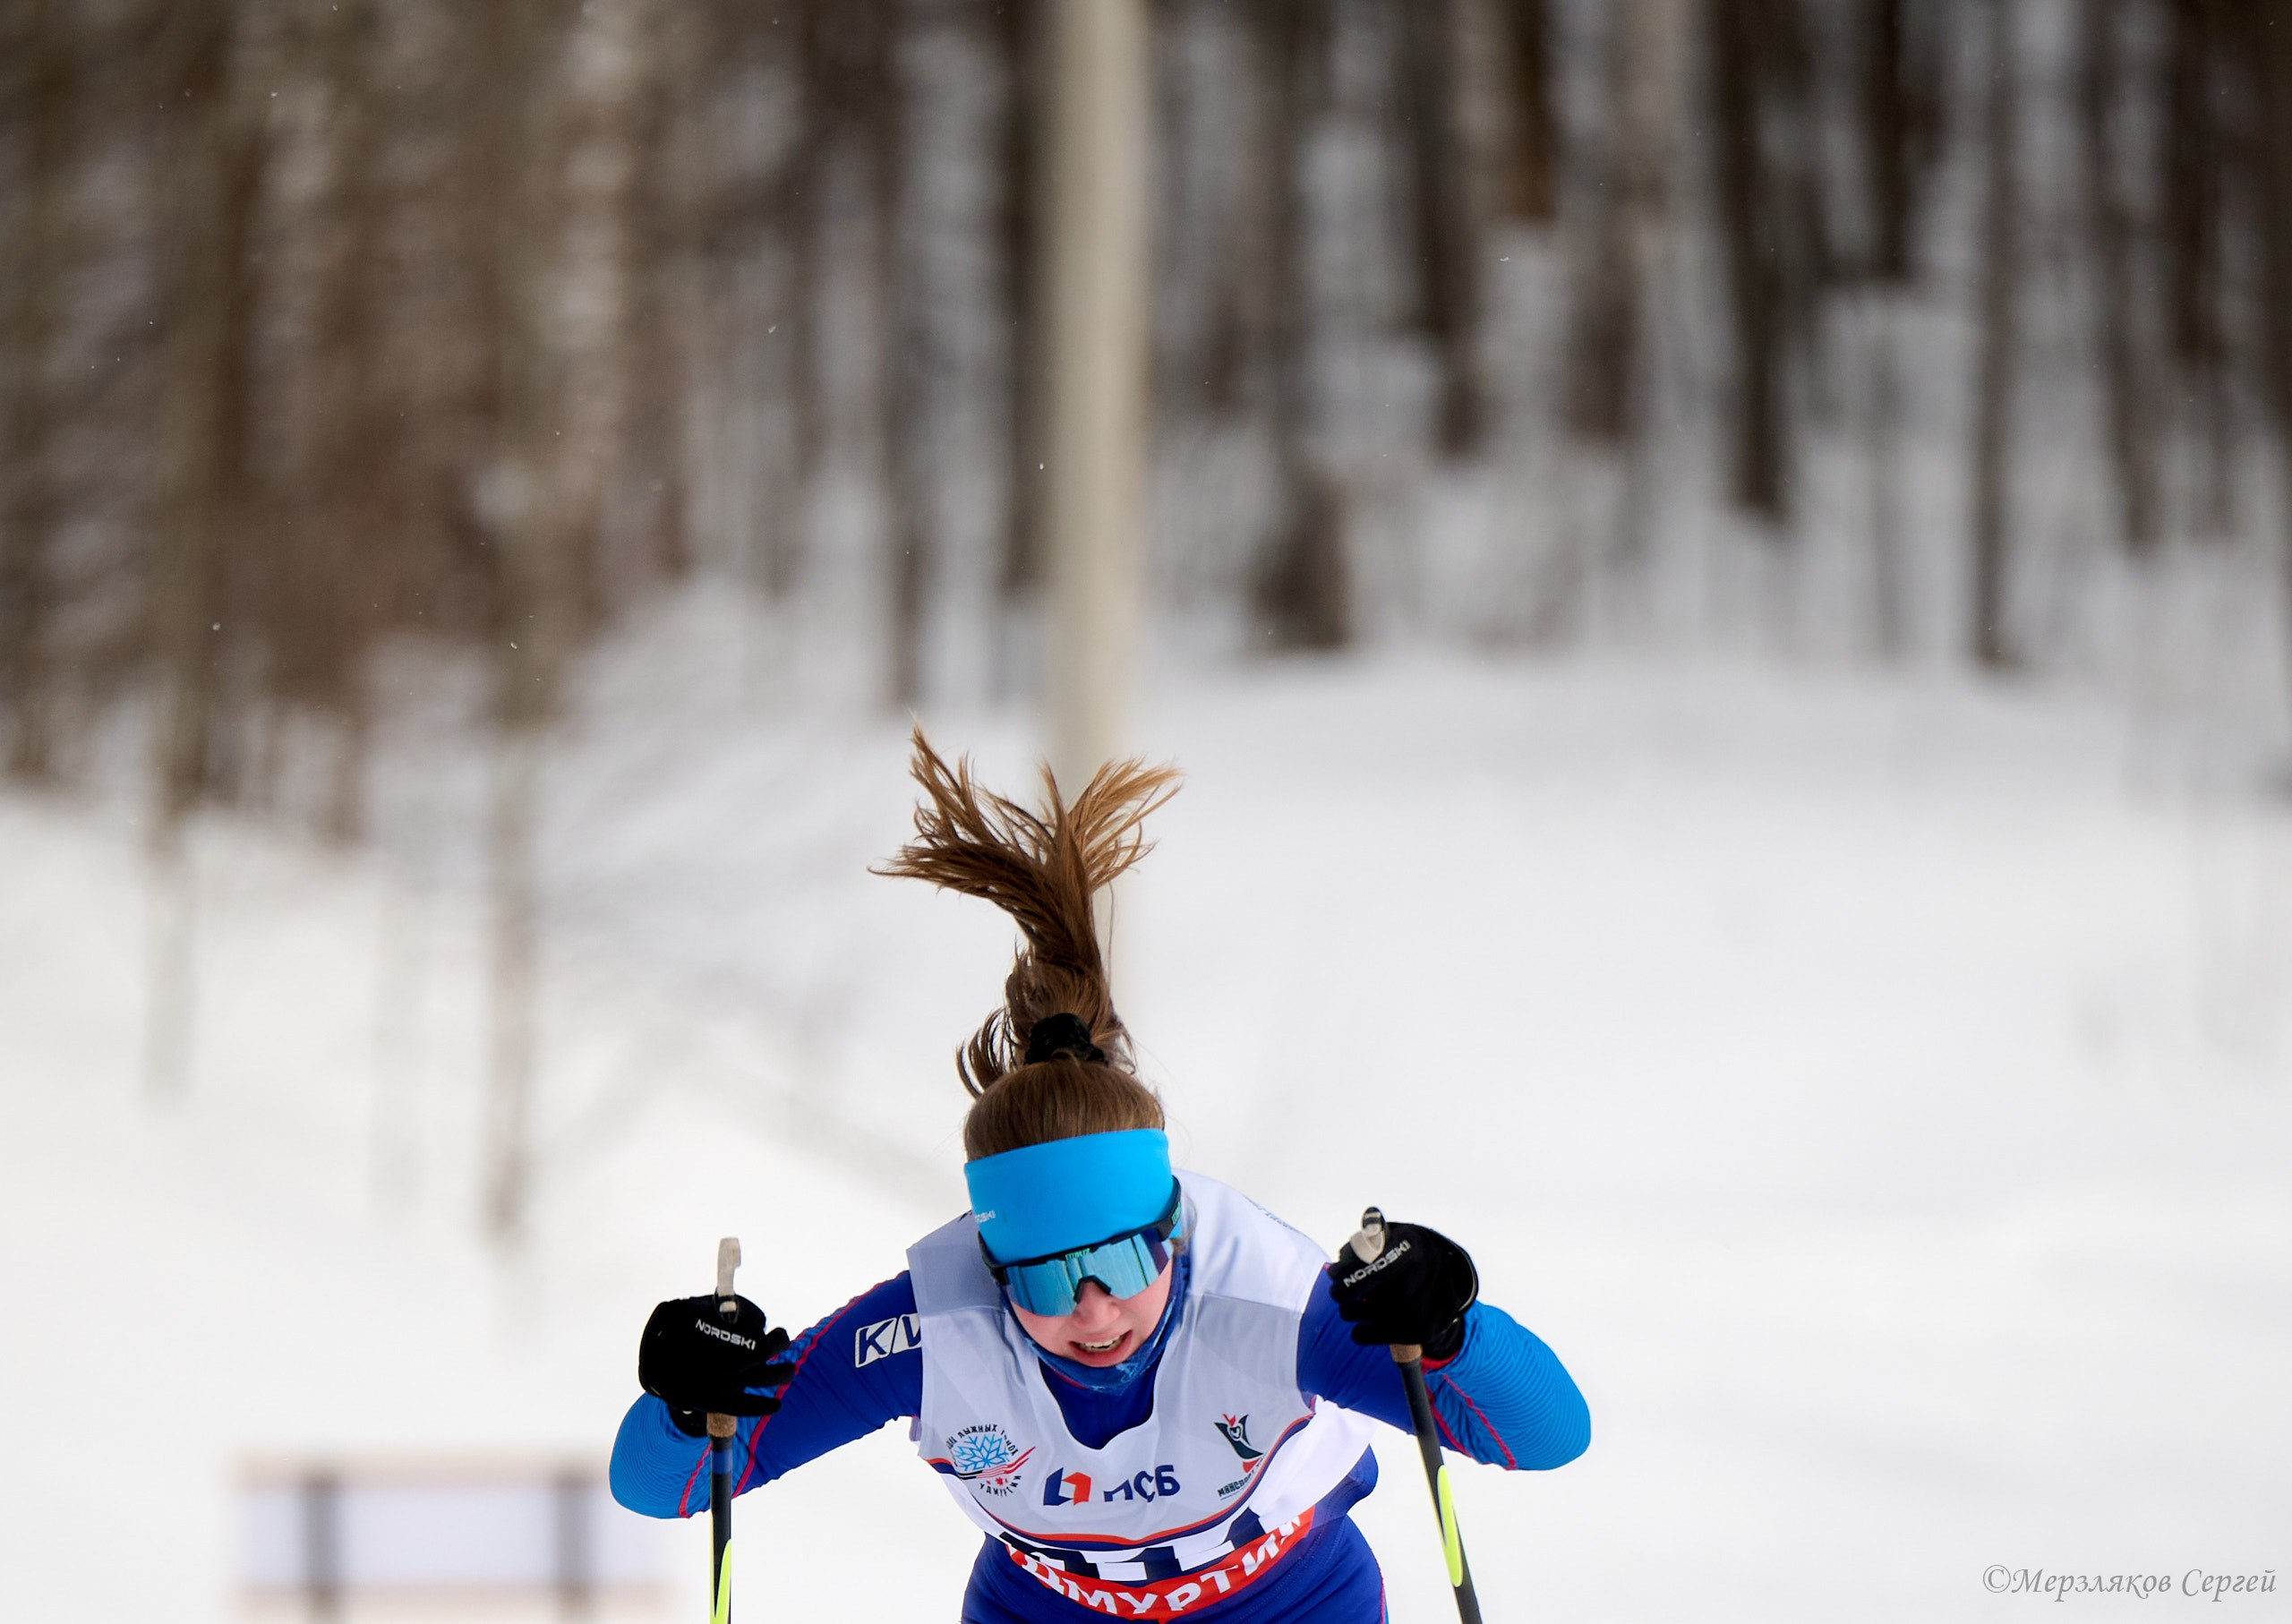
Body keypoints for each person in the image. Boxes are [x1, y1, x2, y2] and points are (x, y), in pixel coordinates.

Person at [611, 733, 1590, 1621]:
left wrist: (1452, 1329)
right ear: (993, 1269)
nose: (1091, 1310)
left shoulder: (1273, 1298)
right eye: (1039, 1277)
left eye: (1121, 1260)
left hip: (1287, 1602)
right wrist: (691, 1400)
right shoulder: (932, 1324)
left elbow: (1545, 1434)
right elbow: (668, 1486)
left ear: (1172, 1231)